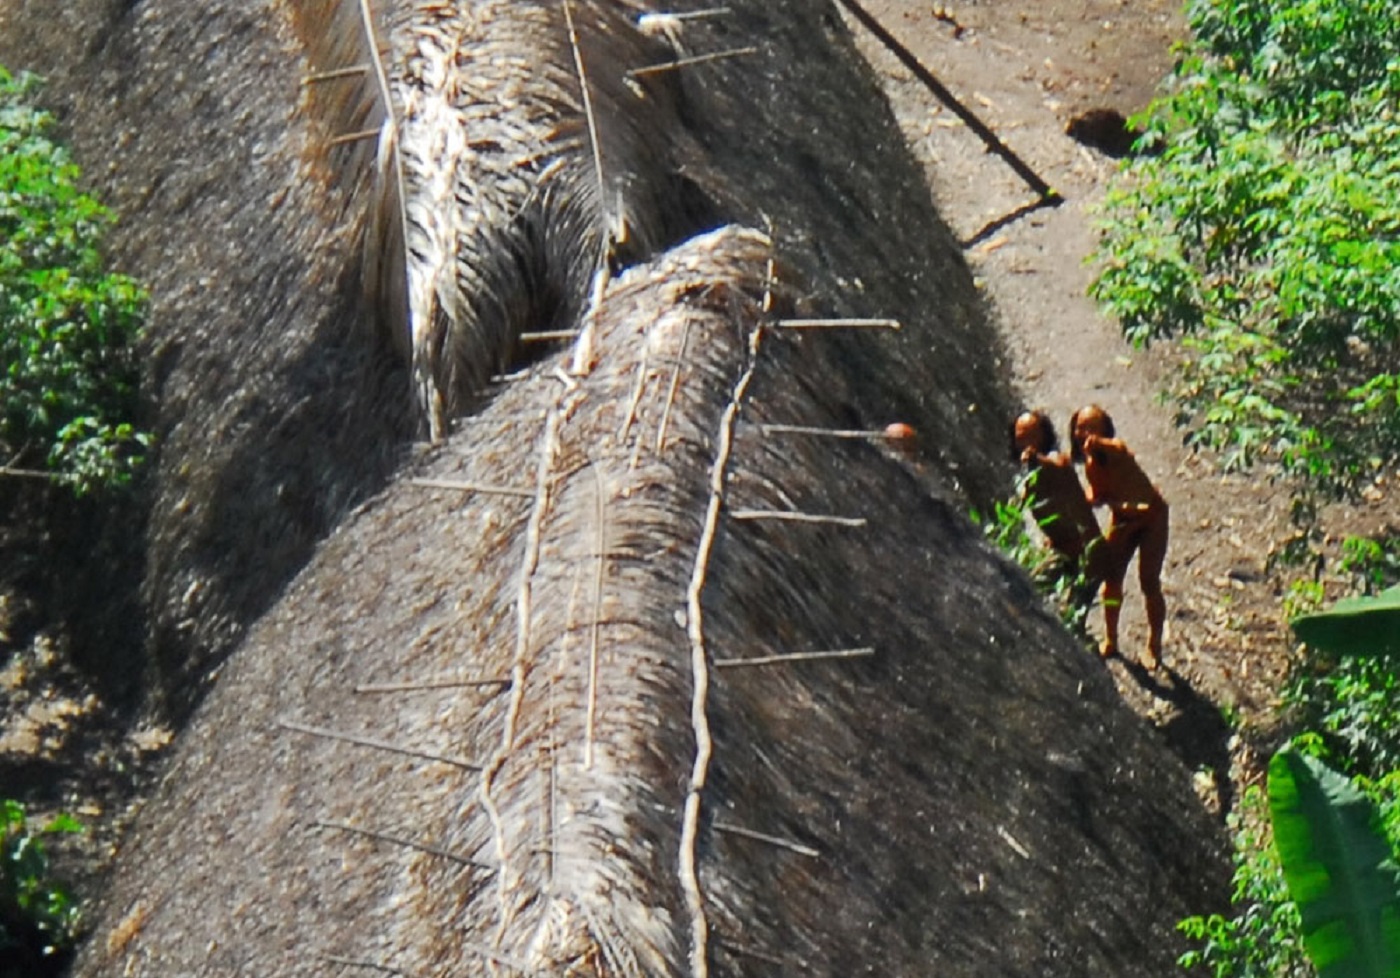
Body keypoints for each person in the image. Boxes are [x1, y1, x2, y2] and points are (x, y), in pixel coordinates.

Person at [1069, 404, 1169, 669]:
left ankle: (1154, 645)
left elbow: (1121, 449)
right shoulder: (1091, 465)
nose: (1084, 433)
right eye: (1080, 427)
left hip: (1152, 517)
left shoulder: (1115, 450)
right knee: (1111, 580)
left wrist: (1099, 442)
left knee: (1149, 582)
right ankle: (1111, 638)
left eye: (1092, 427)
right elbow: (1100, 493)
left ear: (1104, 430)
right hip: (1123, 520)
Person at [1010, 410, 1102, 572]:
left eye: (1032, 437)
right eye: (1021, 438)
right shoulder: (1027, 477)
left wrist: (1036, 458)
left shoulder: (1056, 460)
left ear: (1044, 437)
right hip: (1064, 552)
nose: (1026, 443)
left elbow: (1057, 465)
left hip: (1087, 552)